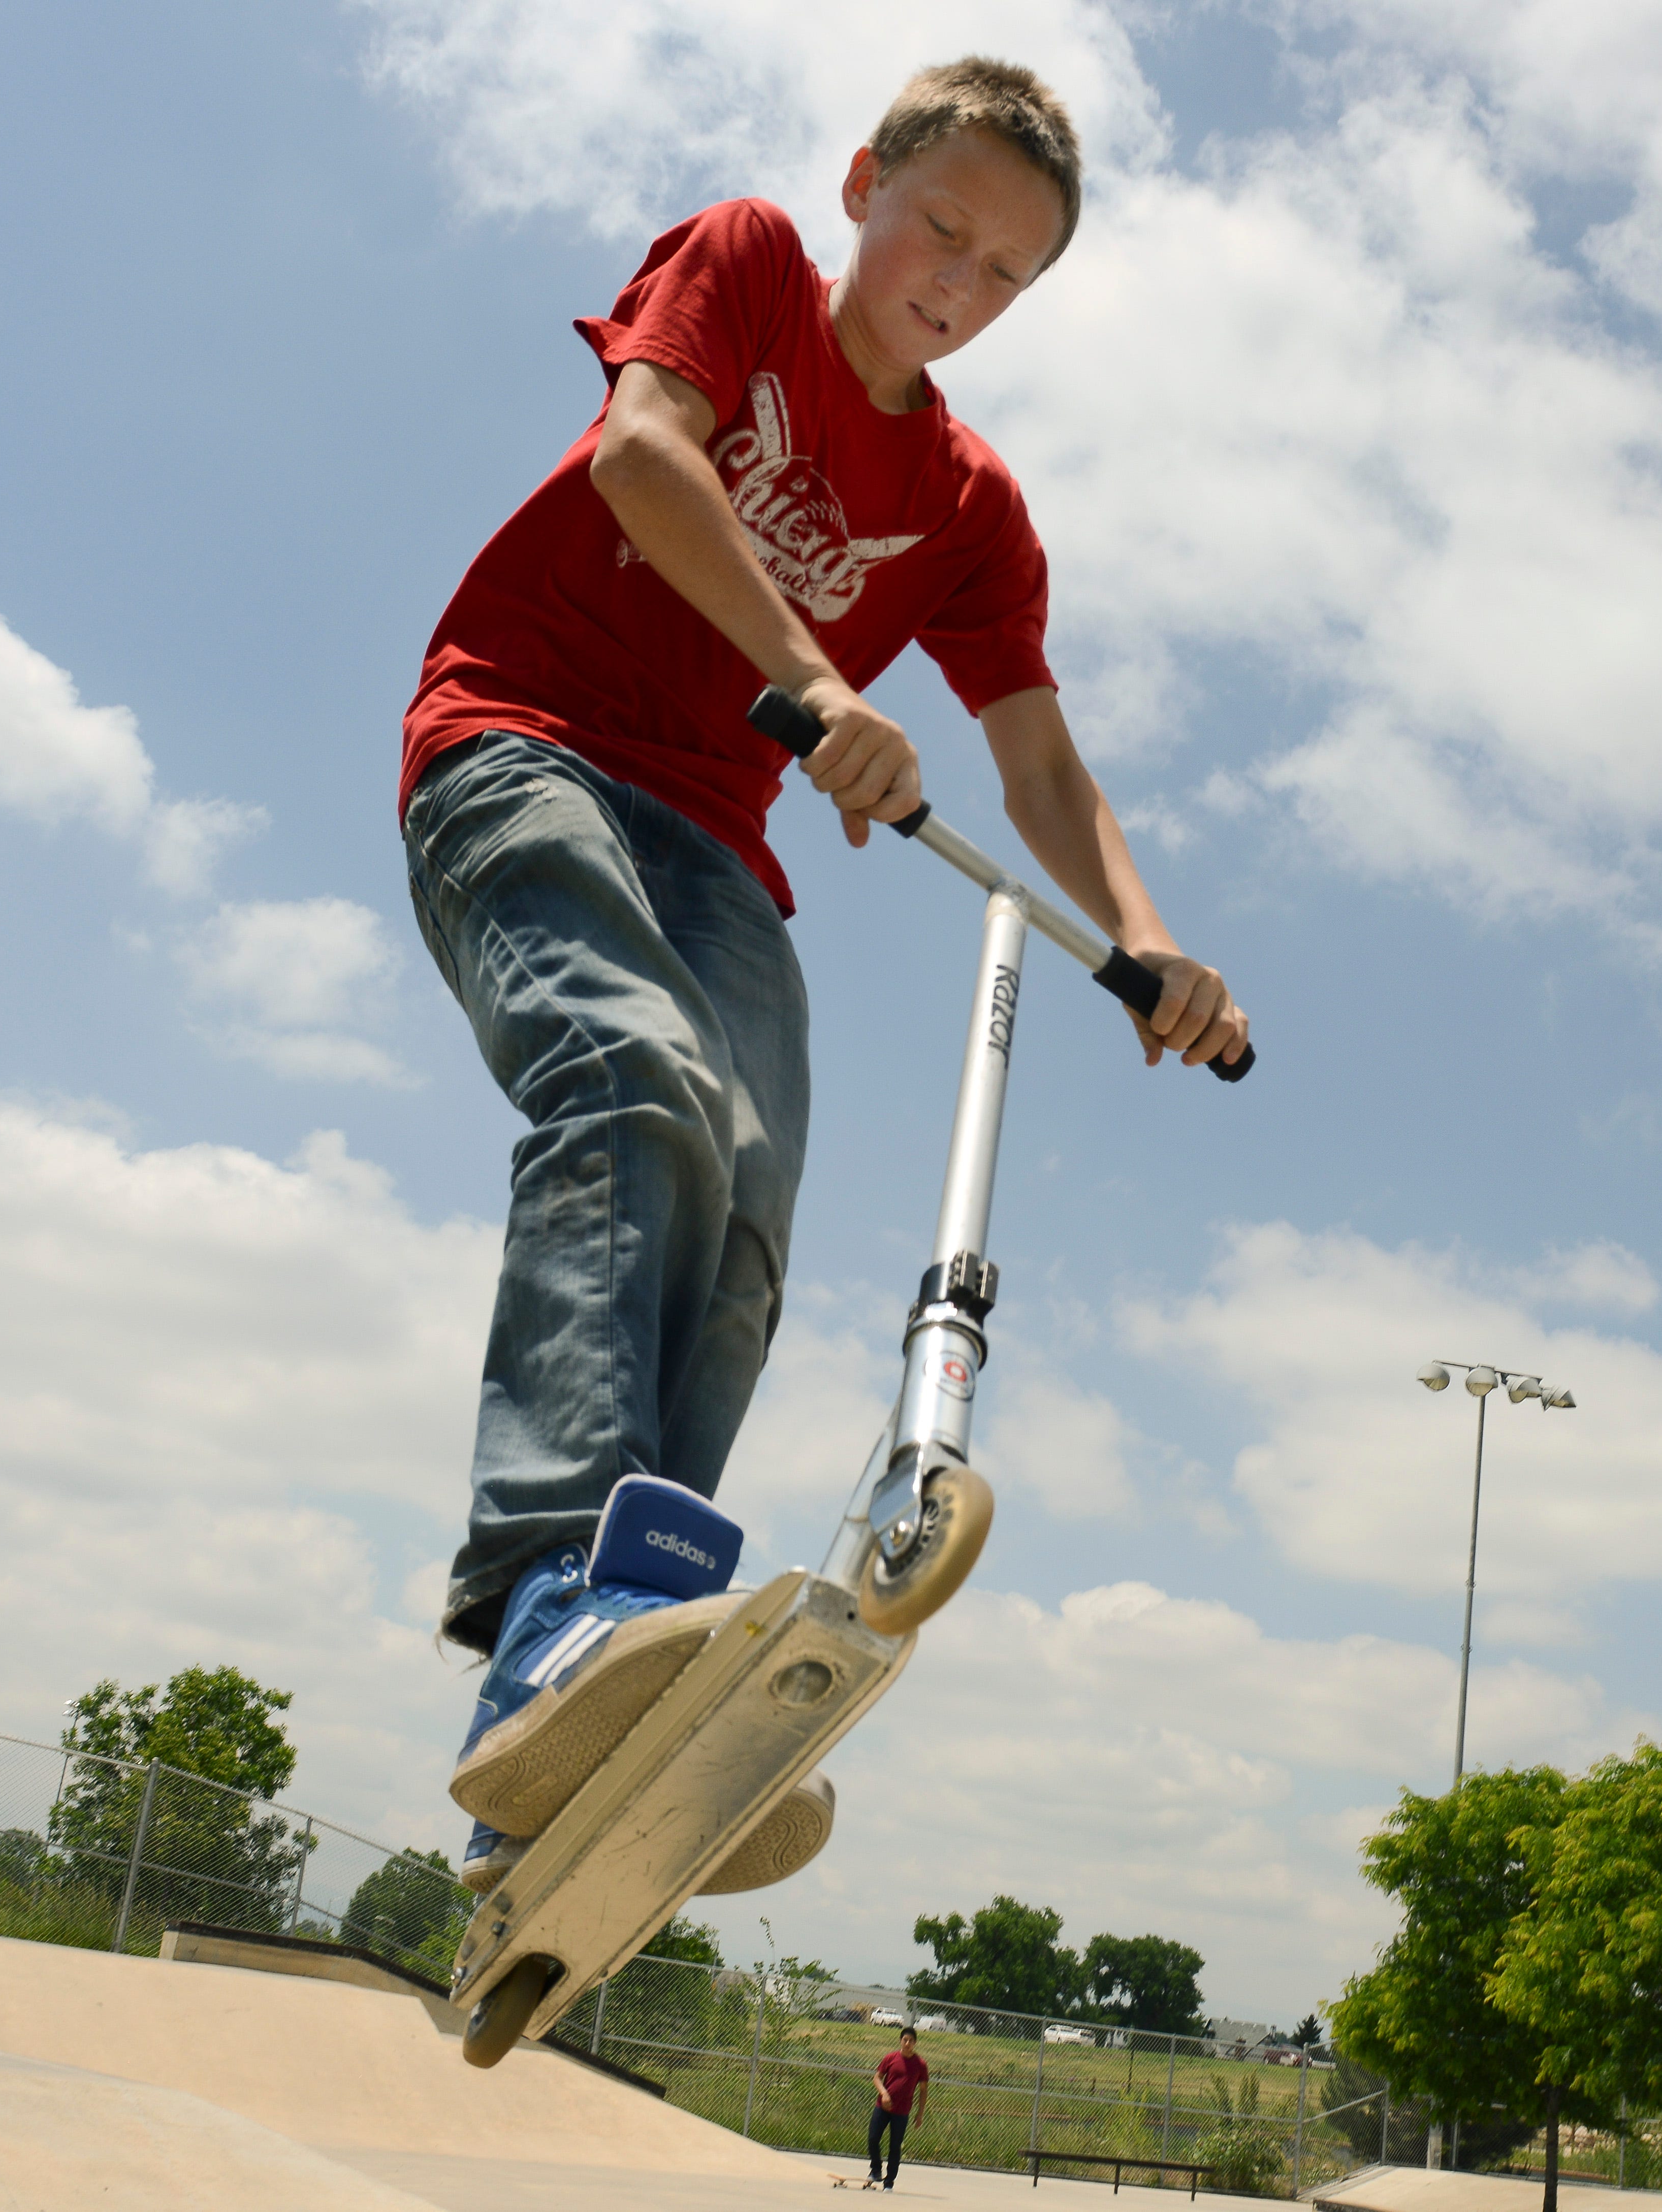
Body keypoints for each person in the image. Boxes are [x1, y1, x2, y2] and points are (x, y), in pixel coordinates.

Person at [402, 55, 1250, 1891]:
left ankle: (581, 1713)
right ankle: (563, 1595)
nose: (958, 279)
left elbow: (1038, 761)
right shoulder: (754, 264)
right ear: (870, 183)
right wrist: (827, 683)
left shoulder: (968, 502)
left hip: (714, 837)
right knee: (633, 1090)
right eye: (940, 227)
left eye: (1006, 273)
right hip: (522, 745)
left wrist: (1155, 941)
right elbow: (644, 455)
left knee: (750, 1195)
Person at [869, 2025, 930, 2188]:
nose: (908, 2043)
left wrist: (920, 2114)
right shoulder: (891, 2058)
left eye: (911, 2041)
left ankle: (889, 2181)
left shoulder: (920, 2064)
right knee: (873, 2138)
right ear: (900, 2041)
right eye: (905, 2040)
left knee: (895, 2146)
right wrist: (884, 2093)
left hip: (902, 2112)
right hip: (883, 2107)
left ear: (915, 2043)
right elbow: (877, 2078)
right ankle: (876, 2170)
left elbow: (923, 2091)